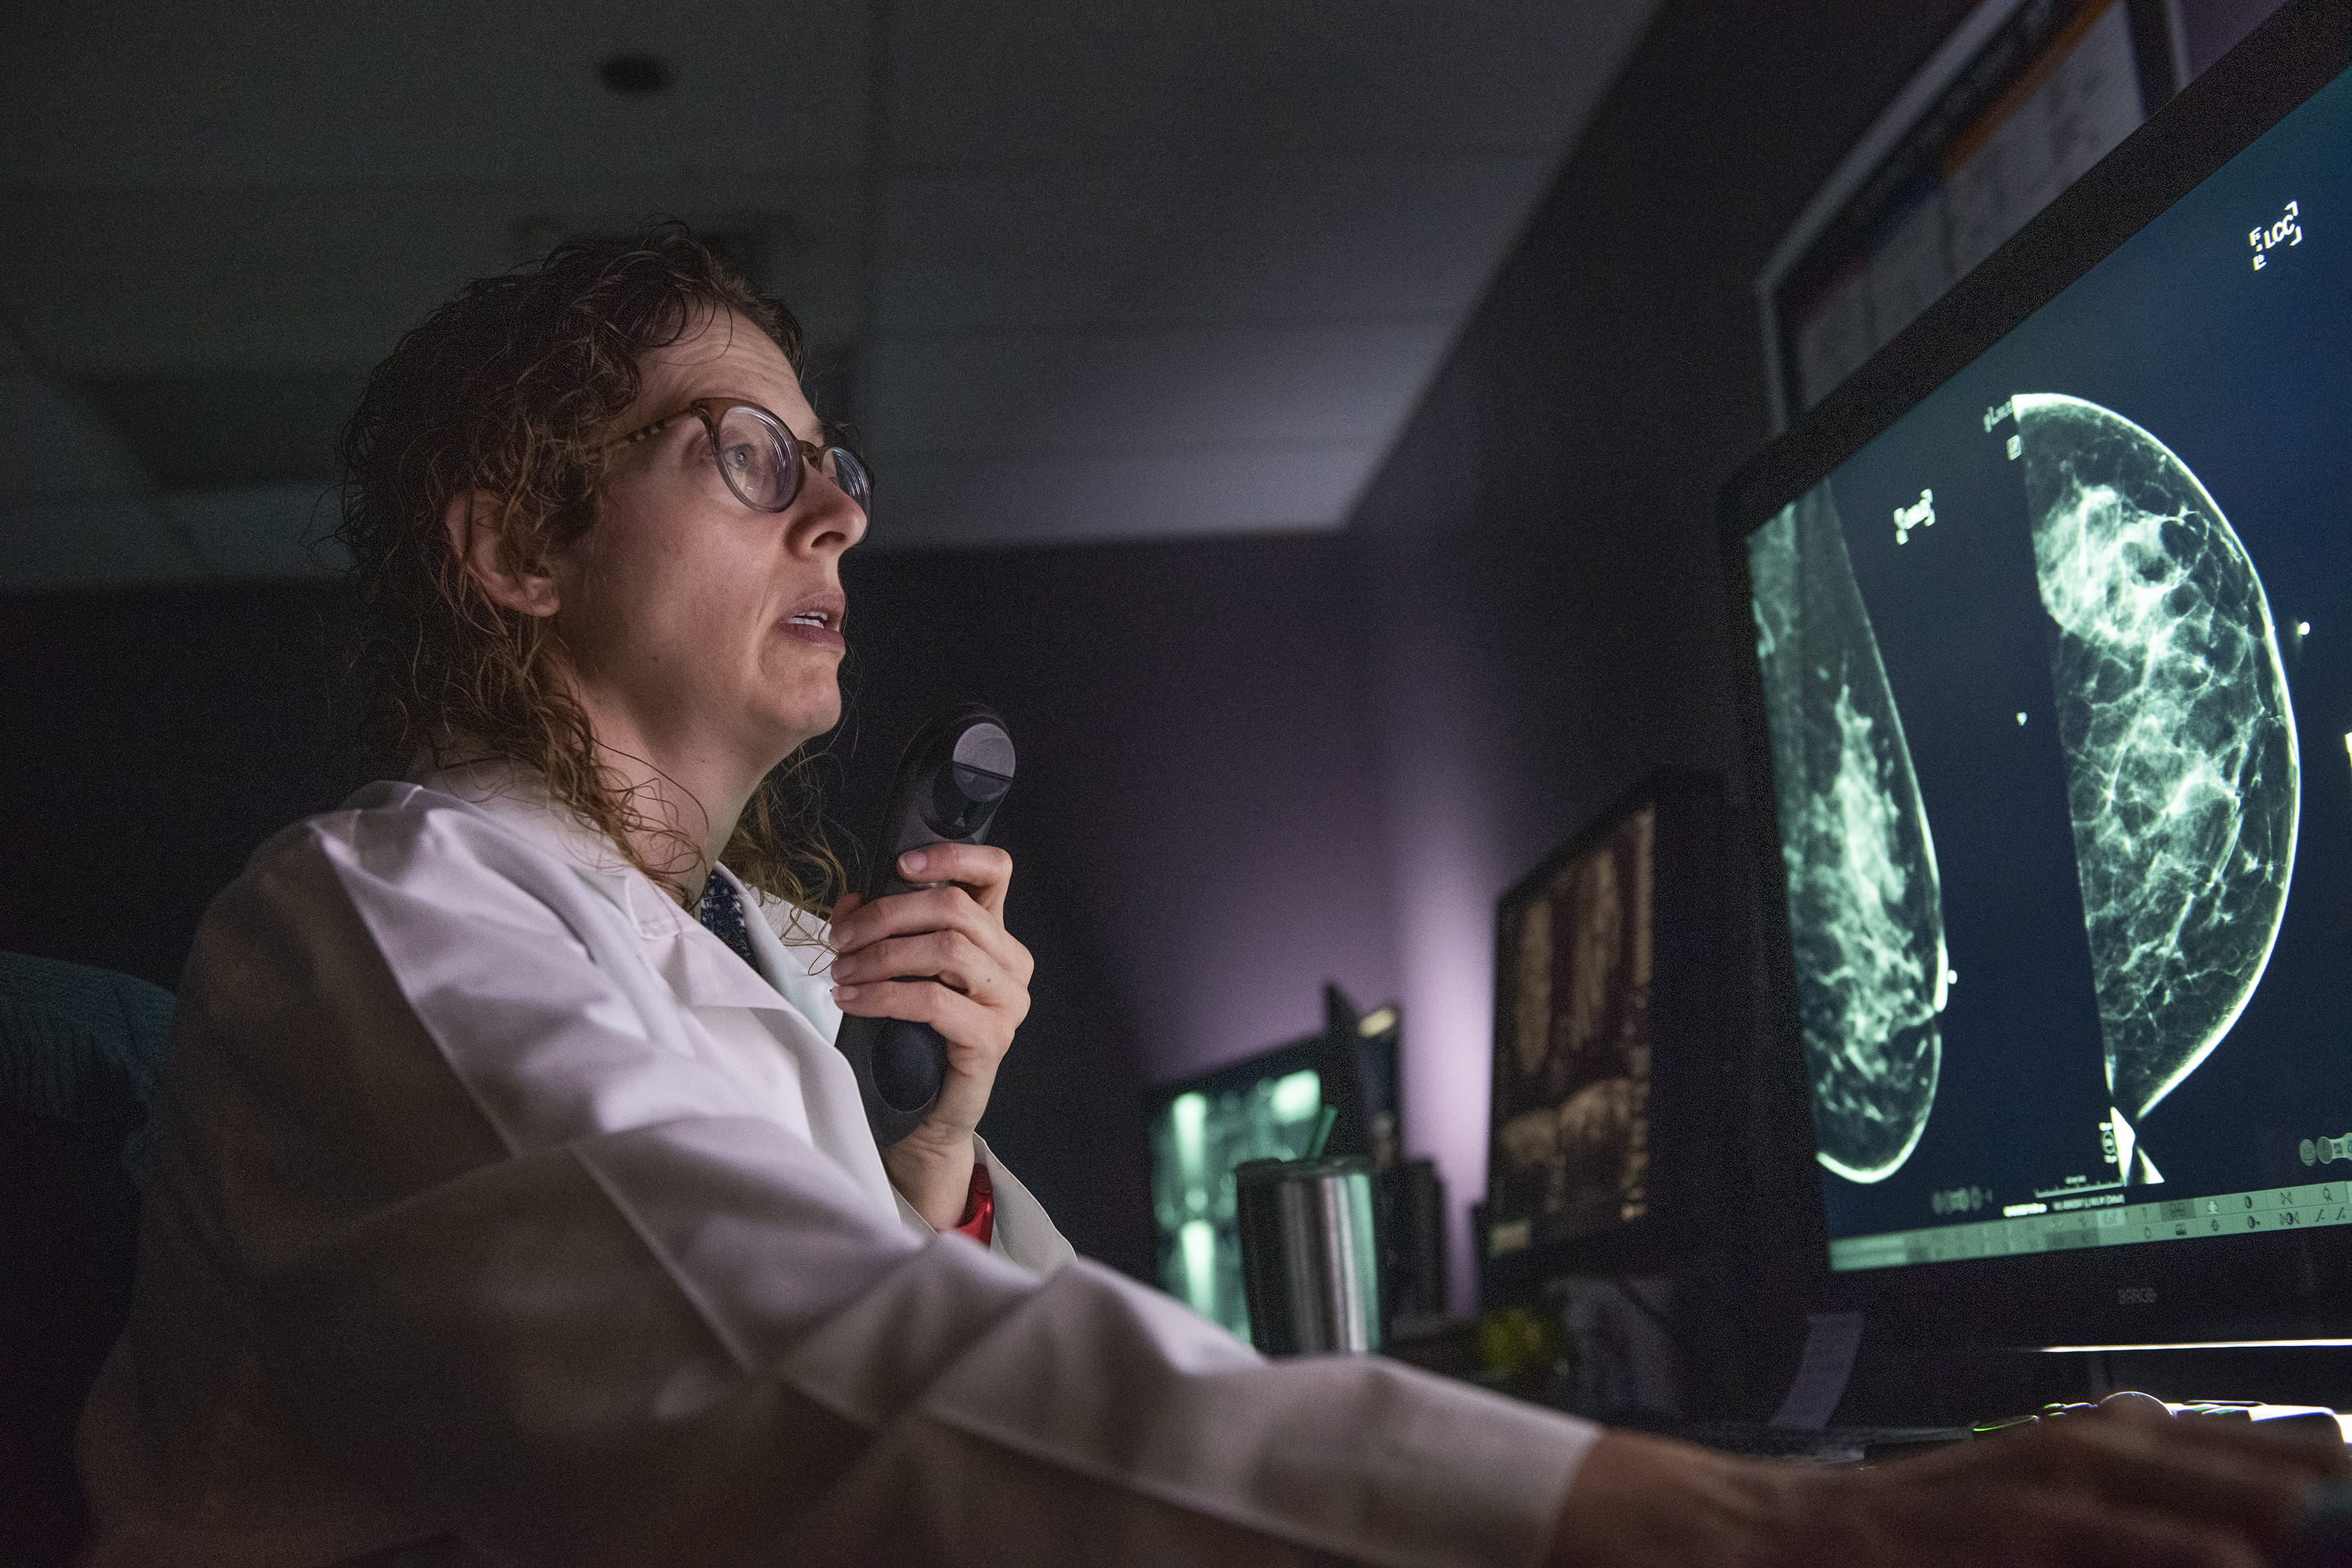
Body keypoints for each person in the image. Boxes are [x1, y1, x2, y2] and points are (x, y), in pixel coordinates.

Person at [76, 227, 2344, 1568]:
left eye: (836, 468)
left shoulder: (749, 957)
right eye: (748, 458)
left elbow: (1010, 1364)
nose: (837, 522)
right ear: (520, 545)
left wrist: (932, 1163)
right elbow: (802, 1388)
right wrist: (1752, 1528)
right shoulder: (390, 917)